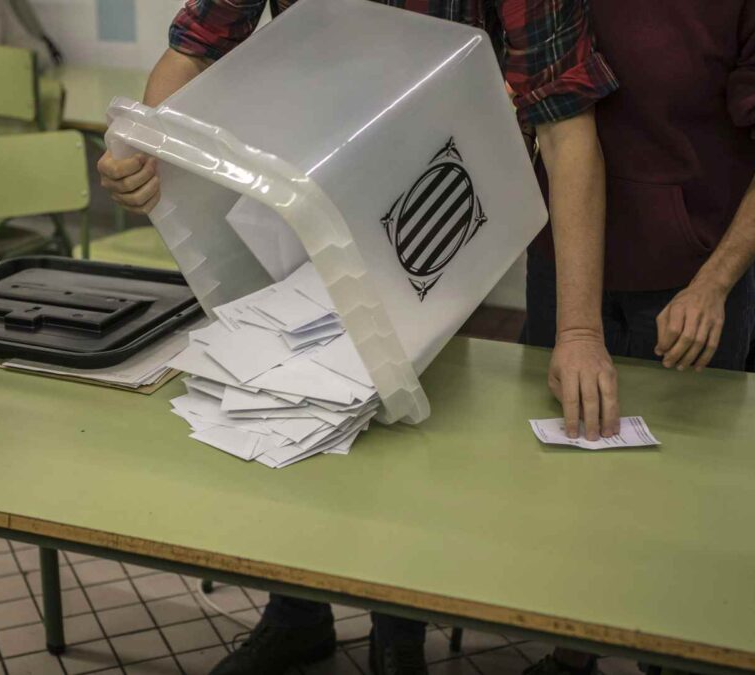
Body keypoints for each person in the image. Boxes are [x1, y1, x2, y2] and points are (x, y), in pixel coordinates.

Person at [98, 1, 619, 673]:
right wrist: (152, 145)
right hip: (299, 189)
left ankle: (398, 636)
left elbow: (566, 126)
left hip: (435, 202)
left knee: (409, 436)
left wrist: (579, 328)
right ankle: (295, 611)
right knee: (284, 397)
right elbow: (195, 49)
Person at [518, 1, 755, 672]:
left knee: (684, 504)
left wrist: (712, 283)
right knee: (561, 483)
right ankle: (567, 650)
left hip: (692, 282)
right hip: (567, 267)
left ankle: (675, 654)